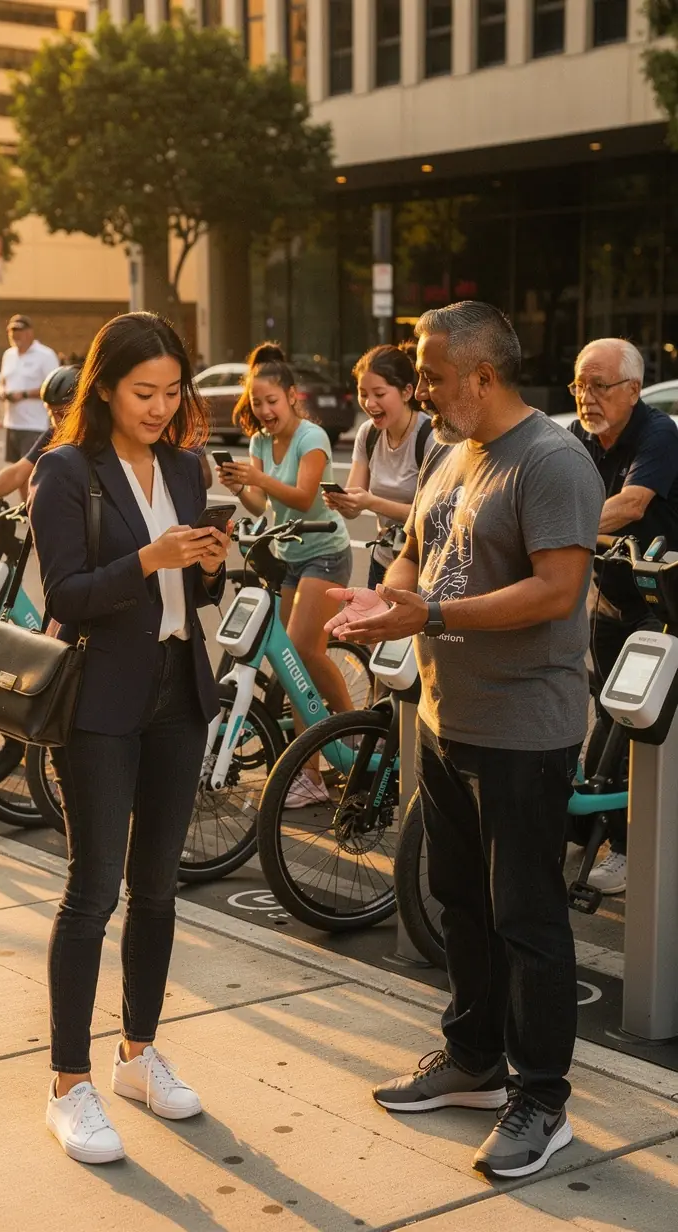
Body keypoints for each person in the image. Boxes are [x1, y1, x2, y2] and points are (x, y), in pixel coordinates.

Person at [326, 302, 604, 1180]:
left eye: (434, 375)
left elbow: (558, 591)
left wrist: (431, 613)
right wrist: (382, 605)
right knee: (461, 902)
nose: (422, 389)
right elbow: (415, 551)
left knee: (527, 917)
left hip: (526, 730)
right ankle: (476, 1060)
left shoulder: (553, 461)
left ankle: (543, 1099)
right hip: (450, 719)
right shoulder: (452, 458)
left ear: (483, 376)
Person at [29, 311, 229, 1165]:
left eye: (172, 391)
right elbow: (68, 593)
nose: (159, 406)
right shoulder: (65, 469)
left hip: (178, 695)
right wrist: (151, 560)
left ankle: (138, 1056)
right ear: (104, 386)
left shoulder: (186, 466)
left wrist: (215, 562)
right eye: (143, 392)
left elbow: (204, 589)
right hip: (101, 701)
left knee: (158, 891)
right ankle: (68, 1084)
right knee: (93, 891)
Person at [216, 341, 353, 807]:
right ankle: (314, 762)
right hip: (288, 553)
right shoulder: (257, 441)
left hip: (326, 552)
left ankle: (349, 734)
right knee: (294, 658)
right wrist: (241, 487)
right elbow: (263, 505)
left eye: (272, 401)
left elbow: (300, 496)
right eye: (257, 403)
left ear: (293, 396)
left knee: (299, 652)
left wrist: (257, 480)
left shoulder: (311, 438)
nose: (264, 410)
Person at [567, 338, 678, 895]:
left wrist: (558, 533)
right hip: (608, 598)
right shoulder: (578, 439)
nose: (587, 397)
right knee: (605, 711)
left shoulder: (657, 433)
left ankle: (633, 850)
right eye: (579, 386)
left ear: (633, 390)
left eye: (599, 386)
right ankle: (591, 826)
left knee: (639, 720)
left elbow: (632, 505)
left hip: (660, 602)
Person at [323, 344, 433, 588]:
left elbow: (429, 514)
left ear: (407, 392)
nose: (369, 403)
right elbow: (354, 509)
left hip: (422, 566)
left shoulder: (429, 437)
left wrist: (370, 502)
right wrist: (342, 501)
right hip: (383, 559)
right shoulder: (368, 434)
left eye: (379, 394)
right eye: (363, 394)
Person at [0, 364, 80, 515]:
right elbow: (17, 472)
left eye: (63, 413)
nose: (56, 421)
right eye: (50, 413)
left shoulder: (106, 437)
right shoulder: (55, 435)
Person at [0, 314, 59, 487]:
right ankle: (25, 509)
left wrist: (23, 395)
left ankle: (34, 509)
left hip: (34, 423)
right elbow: (2, 382)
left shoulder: (45, 355)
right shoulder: (8, 355)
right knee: (17, 473)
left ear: (30, 332)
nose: (15, 335)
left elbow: (53, 387)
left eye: (19, 330)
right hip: (12, 422)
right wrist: (2, 392)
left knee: (31, 473)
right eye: (12, 331)